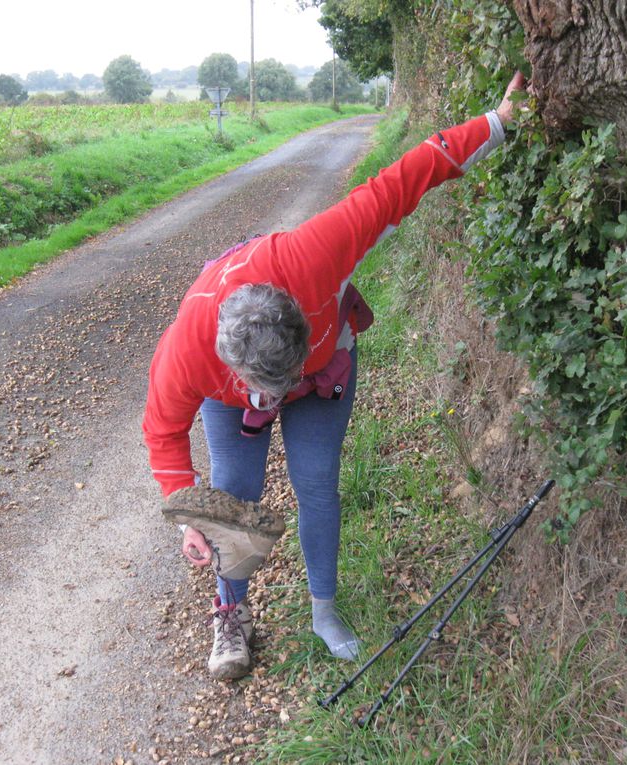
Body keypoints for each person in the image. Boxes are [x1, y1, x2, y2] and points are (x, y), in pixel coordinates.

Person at [143, 72, 528, 680]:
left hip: (327, 370)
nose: (274, 398)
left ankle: (324, 611)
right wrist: (189, 514)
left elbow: (408, 177)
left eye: (281, 380)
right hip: (229, 391)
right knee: (234, 493)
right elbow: (162, 436)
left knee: (316, 481)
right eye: (264, 388)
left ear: (302, 309)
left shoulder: (317, 252)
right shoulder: (188, 347)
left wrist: (500, 120)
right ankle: (230, 616)